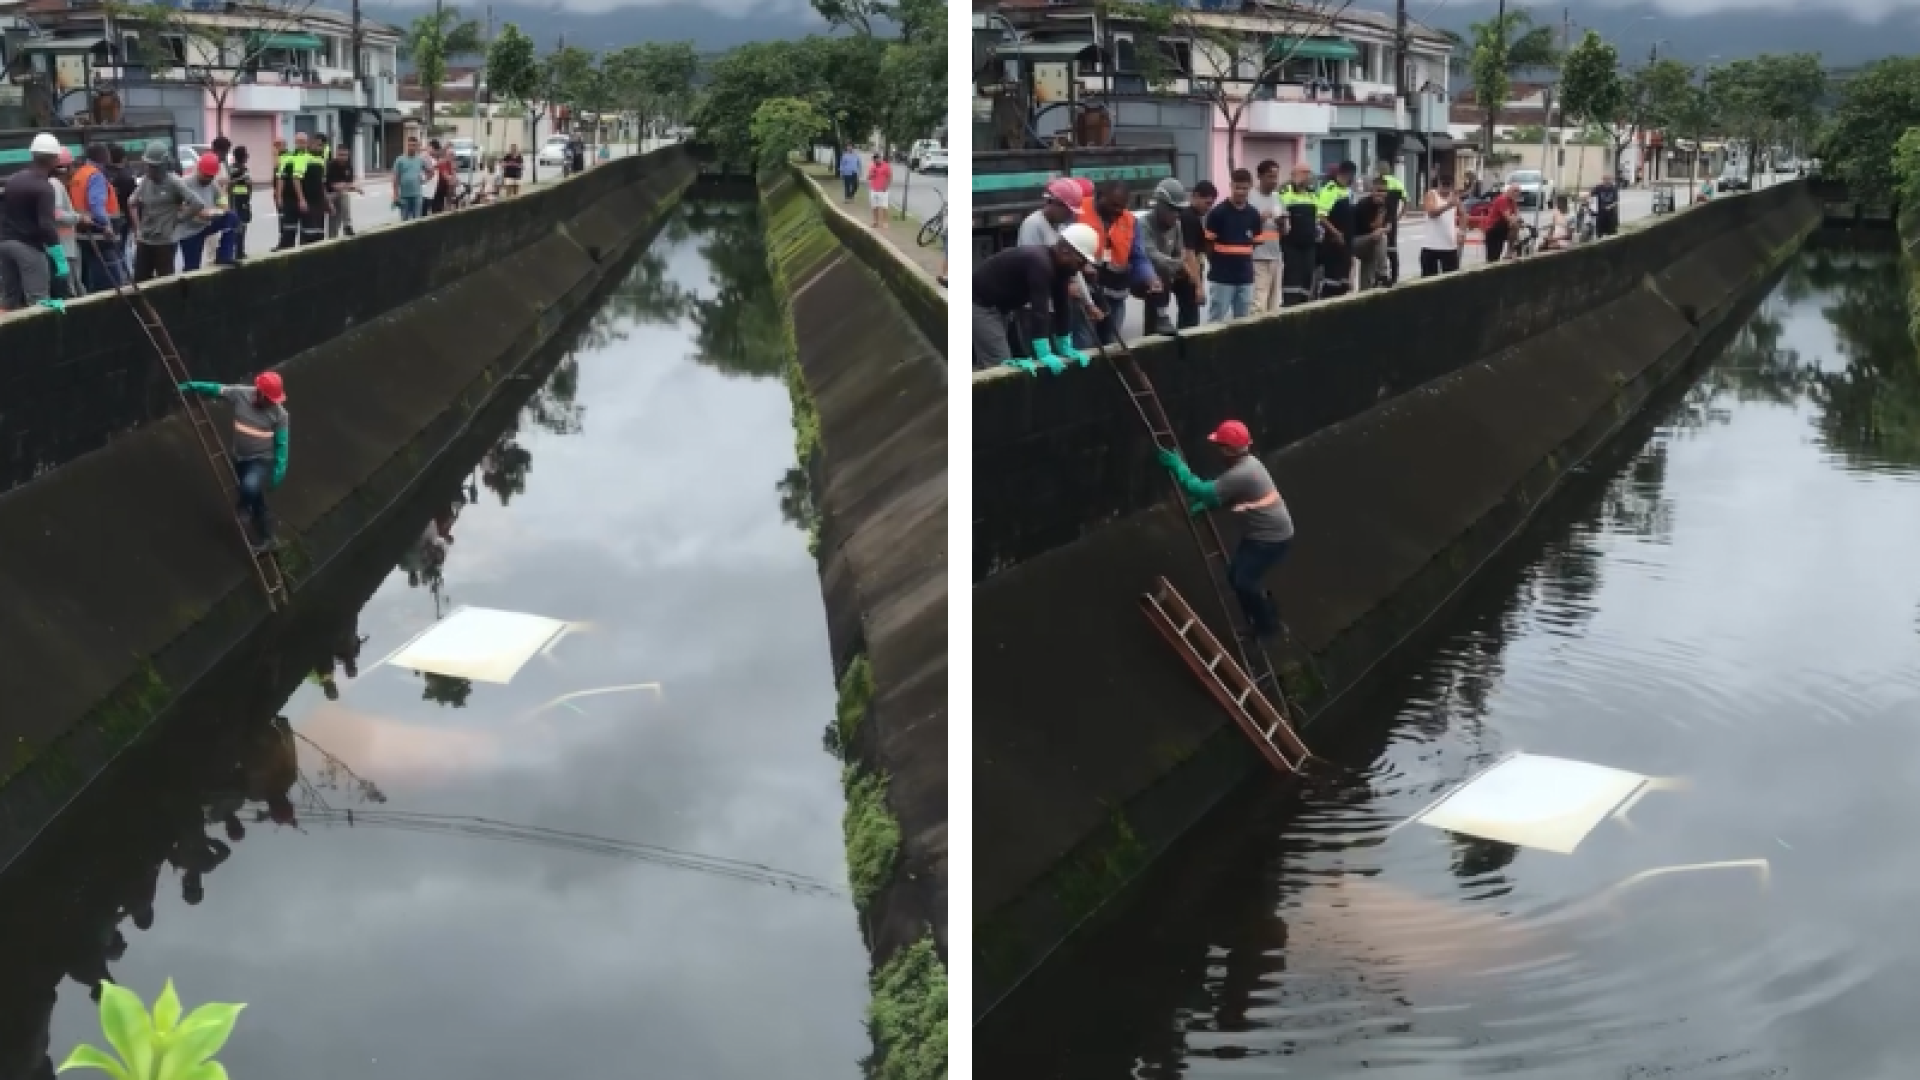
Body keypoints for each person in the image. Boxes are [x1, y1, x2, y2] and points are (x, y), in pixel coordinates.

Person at [1156, 419, 1295, 639]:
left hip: (1270, 540)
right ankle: (1264, 615)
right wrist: (1211, 504)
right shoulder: (1249, 465)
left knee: (1243, 581)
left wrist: (1178, 467)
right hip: (1261, 535)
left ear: (1230, 450)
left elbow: (1199, 489)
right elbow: (1234, 495)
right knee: (1235, 577)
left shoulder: (1242, 472)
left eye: (1220, 446)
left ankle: (1268, 626)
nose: (1217, 451)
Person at [177, 373, 289, 553]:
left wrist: (279, 468)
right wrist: (192, 386)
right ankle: (268, 537)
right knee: (255, 497)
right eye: (268, 399)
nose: (272, 403)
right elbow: (216, 389)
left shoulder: (280, 415)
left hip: (261, 460)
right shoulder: (241, 394)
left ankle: (243, 511)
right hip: (240, 457)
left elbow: (282, 444)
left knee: (249, 486)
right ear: (259, 392)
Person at [972, 224, 1097, 373]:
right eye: (1081, 262)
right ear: (1065, 251)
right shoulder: (1040, 262)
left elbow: (1062, 305)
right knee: (1000, 364)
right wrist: (1043, 351)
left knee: (991, 360)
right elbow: (1040, 310)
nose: (1082, 268)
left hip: (1000, 307)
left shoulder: (1062, 268)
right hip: (980, 304)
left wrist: (1064, 344)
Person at [1077, 179, 1159, 346]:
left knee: (1111, 343)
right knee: (1084, 344)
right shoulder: (1078, 211)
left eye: (1122, 207)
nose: (1117, 211)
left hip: (1115, 293)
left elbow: (1138, 256)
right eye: (1113, 205)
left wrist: (1150, 277)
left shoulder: (1130, 221)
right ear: (1099, 196)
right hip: (1087, 293)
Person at [0, 133, 63, 312]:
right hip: (28, 248)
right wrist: (59, 256)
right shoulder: (44, 188)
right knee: (38, 300)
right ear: (53, 159)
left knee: (8, 299)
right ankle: (40, 339)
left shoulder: (13, 179)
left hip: (4, 243)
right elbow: (46, 225)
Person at [1202, 167, 1264, 322]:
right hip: (1222, 278)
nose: (1241, 192)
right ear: (1231, 186)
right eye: (1237, 187)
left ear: (1250, 187)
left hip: (1245, 277)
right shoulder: (1218, 213)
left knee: (1243, 321)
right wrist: (1218, 263)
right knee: (1216, 319)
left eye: (1244, 188)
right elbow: (1208, 244)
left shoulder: (1253, 214)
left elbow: (1254, 242)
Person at [1137, 178, 1198, 333]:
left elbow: (1179, 252)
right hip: (1145, 275)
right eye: (1172, 209)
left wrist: (1189, 273)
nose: (1177, 215)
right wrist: (1178, 264)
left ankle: (1188, 328)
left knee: (1189, 282)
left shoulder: (1176, 226)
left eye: (1179, 210)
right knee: (1159, 272)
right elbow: (1151, 255)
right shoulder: (1143, 224)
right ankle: (1157, 323)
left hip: (1169, 272)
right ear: (1160, 206)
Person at [71, 143, 120, 292]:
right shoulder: (96, 175)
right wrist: (107, 225)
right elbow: (97, 206)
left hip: (84, 234)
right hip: (100, 236)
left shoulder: (79, 174)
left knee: (92, 275)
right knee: (110, 279)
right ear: (103, 156)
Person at [178, 152, 239, 271]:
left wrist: (221, 209)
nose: (208, 179)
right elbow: (177, 206)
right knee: (192, 268)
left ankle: (224, 255)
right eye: (206, 176)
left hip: (205, 224)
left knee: (231, 217)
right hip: (189, 230)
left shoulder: (212, 184)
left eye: (211, 177)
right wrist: (197, 212)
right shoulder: (184, 183)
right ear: (199, 169)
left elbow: (222, 200)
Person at [1277, 163, 1320, 306]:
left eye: (1309, 173)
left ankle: (1303, 305)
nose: (1308, 176)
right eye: (1304, 173)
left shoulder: (1312, 193)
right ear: (1295, 174)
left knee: (1307, 276)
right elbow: (1280, 214)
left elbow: (1317, 217)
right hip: (1291, 245)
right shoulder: (1284, 192)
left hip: (1309, 244)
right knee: (1292, 278)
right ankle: (1289, 306)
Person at [1314, 160, 1357, 299]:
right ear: (1348, 174)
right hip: (1333, 242)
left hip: (1347, 243)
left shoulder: (1347, 191)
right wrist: (1336, 233)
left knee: (1344, 284)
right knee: (1332, 283)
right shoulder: (1329, 190)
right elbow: (1321, 216)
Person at [1247, 159, 1284, 313]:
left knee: (1274, 303)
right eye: (1270, 176)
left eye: (1276, 177)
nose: (1274, 181)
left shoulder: (1277, 198)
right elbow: (1244, 225)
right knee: (1259, 303)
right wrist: (1259, 218)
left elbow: (1285, 231)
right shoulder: (1250, 197)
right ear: (1260, 176)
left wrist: (1283, 222)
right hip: (1258, 256)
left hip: (1275, 255)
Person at [47, 149, 84, 301]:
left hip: (65, 247)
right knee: (70, 291)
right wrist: (79, 218)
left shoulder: (54, 184)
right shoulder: (55, 184)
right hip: (64, 249)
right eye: (71, 166)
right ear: (65, 168)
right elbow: (56, 214)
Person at [1350, 174, 1392, 290]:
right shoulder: (1364, 204)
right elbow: (1373, 227)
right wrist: (1380, 211)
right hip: (1356, 242)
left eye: (1384, 191)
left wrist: (1382, 229)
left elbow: (1389, 226)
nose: (1381, 193)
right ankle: (1382, 273)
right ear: (1372, 190)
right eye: (1378, 190)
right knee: (1381, 237)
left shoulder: (1387, 204)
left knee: (1367, 278)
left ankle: (1365, 293)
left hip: (1372, 244)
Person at [1180, 180, 1215, 311]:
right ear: (1195, 196)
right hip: (1189, 275)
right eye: (1207, 203)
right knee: (1190, 318)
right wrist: (1198, 286)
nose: (1208, 207)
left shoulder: (1189, 216)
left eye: (1211, 204)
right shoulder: (1190, 218)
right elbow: (1190, 253)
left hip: (1188, 273)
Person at [1419, 173, 1463, 276]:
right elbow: (1432, 213)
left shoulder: (1454, 197)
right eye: (1443, 186)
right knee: (1429, 281)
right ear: (1439, 184)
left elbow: (1463, 214)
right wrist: (1448, 205)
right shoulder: (1431, 194)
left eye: (1448, 186)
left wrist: (1461, 231)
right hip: (1430, 246)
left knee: (1450, 280)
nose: (1445, 190)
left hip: (1449, 246)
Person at [272, 135, 309, 250]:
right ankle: (284, 243)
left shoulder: (290, 156)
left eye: (279, 144)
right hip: (286, 195)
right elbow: (279, 176)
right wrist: (278, 195)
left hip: (300, 195)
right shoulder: (286, 156)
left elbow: (279, 169)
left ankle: (301, 246)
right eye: (275, 144)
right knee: (285, 222)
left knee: (302, 224)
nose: (277, 146)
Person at [1375, 160, 1408, 284]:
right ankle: (1394, 277)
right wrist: (1398, 216)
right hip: (1392, 219)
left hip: (1378, 219)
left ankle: (1378, 276)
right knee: (1392, 248)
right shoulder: (1398, 183)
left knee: (1378, 248)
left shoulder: (1378, 183)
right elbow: (1406, 202)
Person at [325, 143, 360, 239]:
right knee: (344, 195)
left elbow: (349, 183)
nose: (343, 157)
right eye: (340, 155)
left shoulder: (348, 166)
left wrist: (355, 188)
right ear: (336, 154)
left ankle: (345, 228)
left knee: (336, 219)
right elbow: (335, 186)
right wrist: (350, 186)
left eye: (345, 155)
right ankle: (347, 225)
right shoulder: (331, 165)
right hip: (329, 196)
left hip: (339, 196)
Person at [391, 135, 428, 221]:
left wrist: (425, 179)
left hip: (417, 196)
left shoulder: (420, 159)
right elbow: (395, 179)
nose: (412, 147)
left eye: (414, 145)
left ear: (417, 147)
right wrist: (395, 195)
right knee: (404, 220)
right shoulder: (400, 160)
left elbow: (430, 171)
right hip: (404, 196)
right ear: (407, 145)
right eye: (410, 145)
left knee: (417, 220)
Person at [227, 145, 254, 257]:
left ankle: (237, 250)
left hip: (238, 200)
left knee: (239, 226)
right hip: (239, 201)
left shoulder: (232, 168)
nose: (247, 157)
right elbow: (247, 185)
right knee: (240, 226)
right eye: (246, 155)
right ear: (243, 157)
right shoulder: (239, 170)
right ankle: (238, 251)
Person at [1484, 181, 1520, 263]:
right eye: (1515, 191)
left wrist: (1515, 219)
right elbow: (1508, 217)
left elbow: (1518, 215)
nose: (1517, 193)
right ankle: (1510, 251)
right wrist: (1514, 219)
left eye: (1518, 191)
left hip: (1502, 229)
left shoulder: (1513, 201)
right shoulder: (1502, 199)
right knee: (1493, 257)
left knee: (1516, 224)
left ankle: (1510, 250)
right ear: (1508, 191)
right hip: (1493, 229)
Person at [1590, 173, 1620, 238]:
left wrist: (1610, 206)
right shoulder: (1598, 188)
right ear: (1602, 180)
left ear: (1611, 180)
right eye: (1605, 179)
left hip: (1611, 215)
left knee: (1611, 234)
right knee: (1599, 233)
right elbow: (1591, 196)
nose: (1607, 181)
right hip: (1601, 214)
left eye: (1608, 179)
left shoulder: (1614, 188)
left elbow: (1616, 201)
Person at [867, 154, 892, 230]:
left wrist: (886, 186)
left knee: (884, 206)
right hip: (874, 189)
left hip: (883, 190)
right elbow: (868, 177)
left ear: (880, 159)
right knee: (874, 206)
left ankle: (885, 222)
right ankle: (875, 221)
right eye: (874, 160)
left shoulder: (886, 166)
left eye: (877, 159)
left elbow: (889, 177)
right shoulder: (872, 166)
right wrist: (872, 174)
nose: (876, 161)